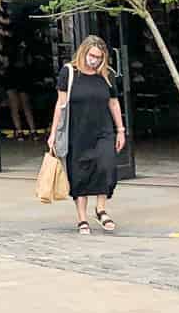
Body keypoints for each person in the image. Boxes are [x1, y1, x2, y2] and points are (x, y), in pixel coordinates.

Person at [48, 36, 126, 235]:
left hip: (103, 129)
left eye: (99, 57)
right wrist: (53, 133)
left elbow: (114, 103)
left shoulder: (106, 75)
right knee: (80, 174)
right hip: (78, 131)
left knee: (106, 166)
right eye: (92, 56)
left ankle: (101, 209)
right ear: (83, 53)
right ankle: (82, 218)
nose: (95, 61)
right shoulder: (69, 73)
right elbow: (61, 104)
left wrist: (121, 130)